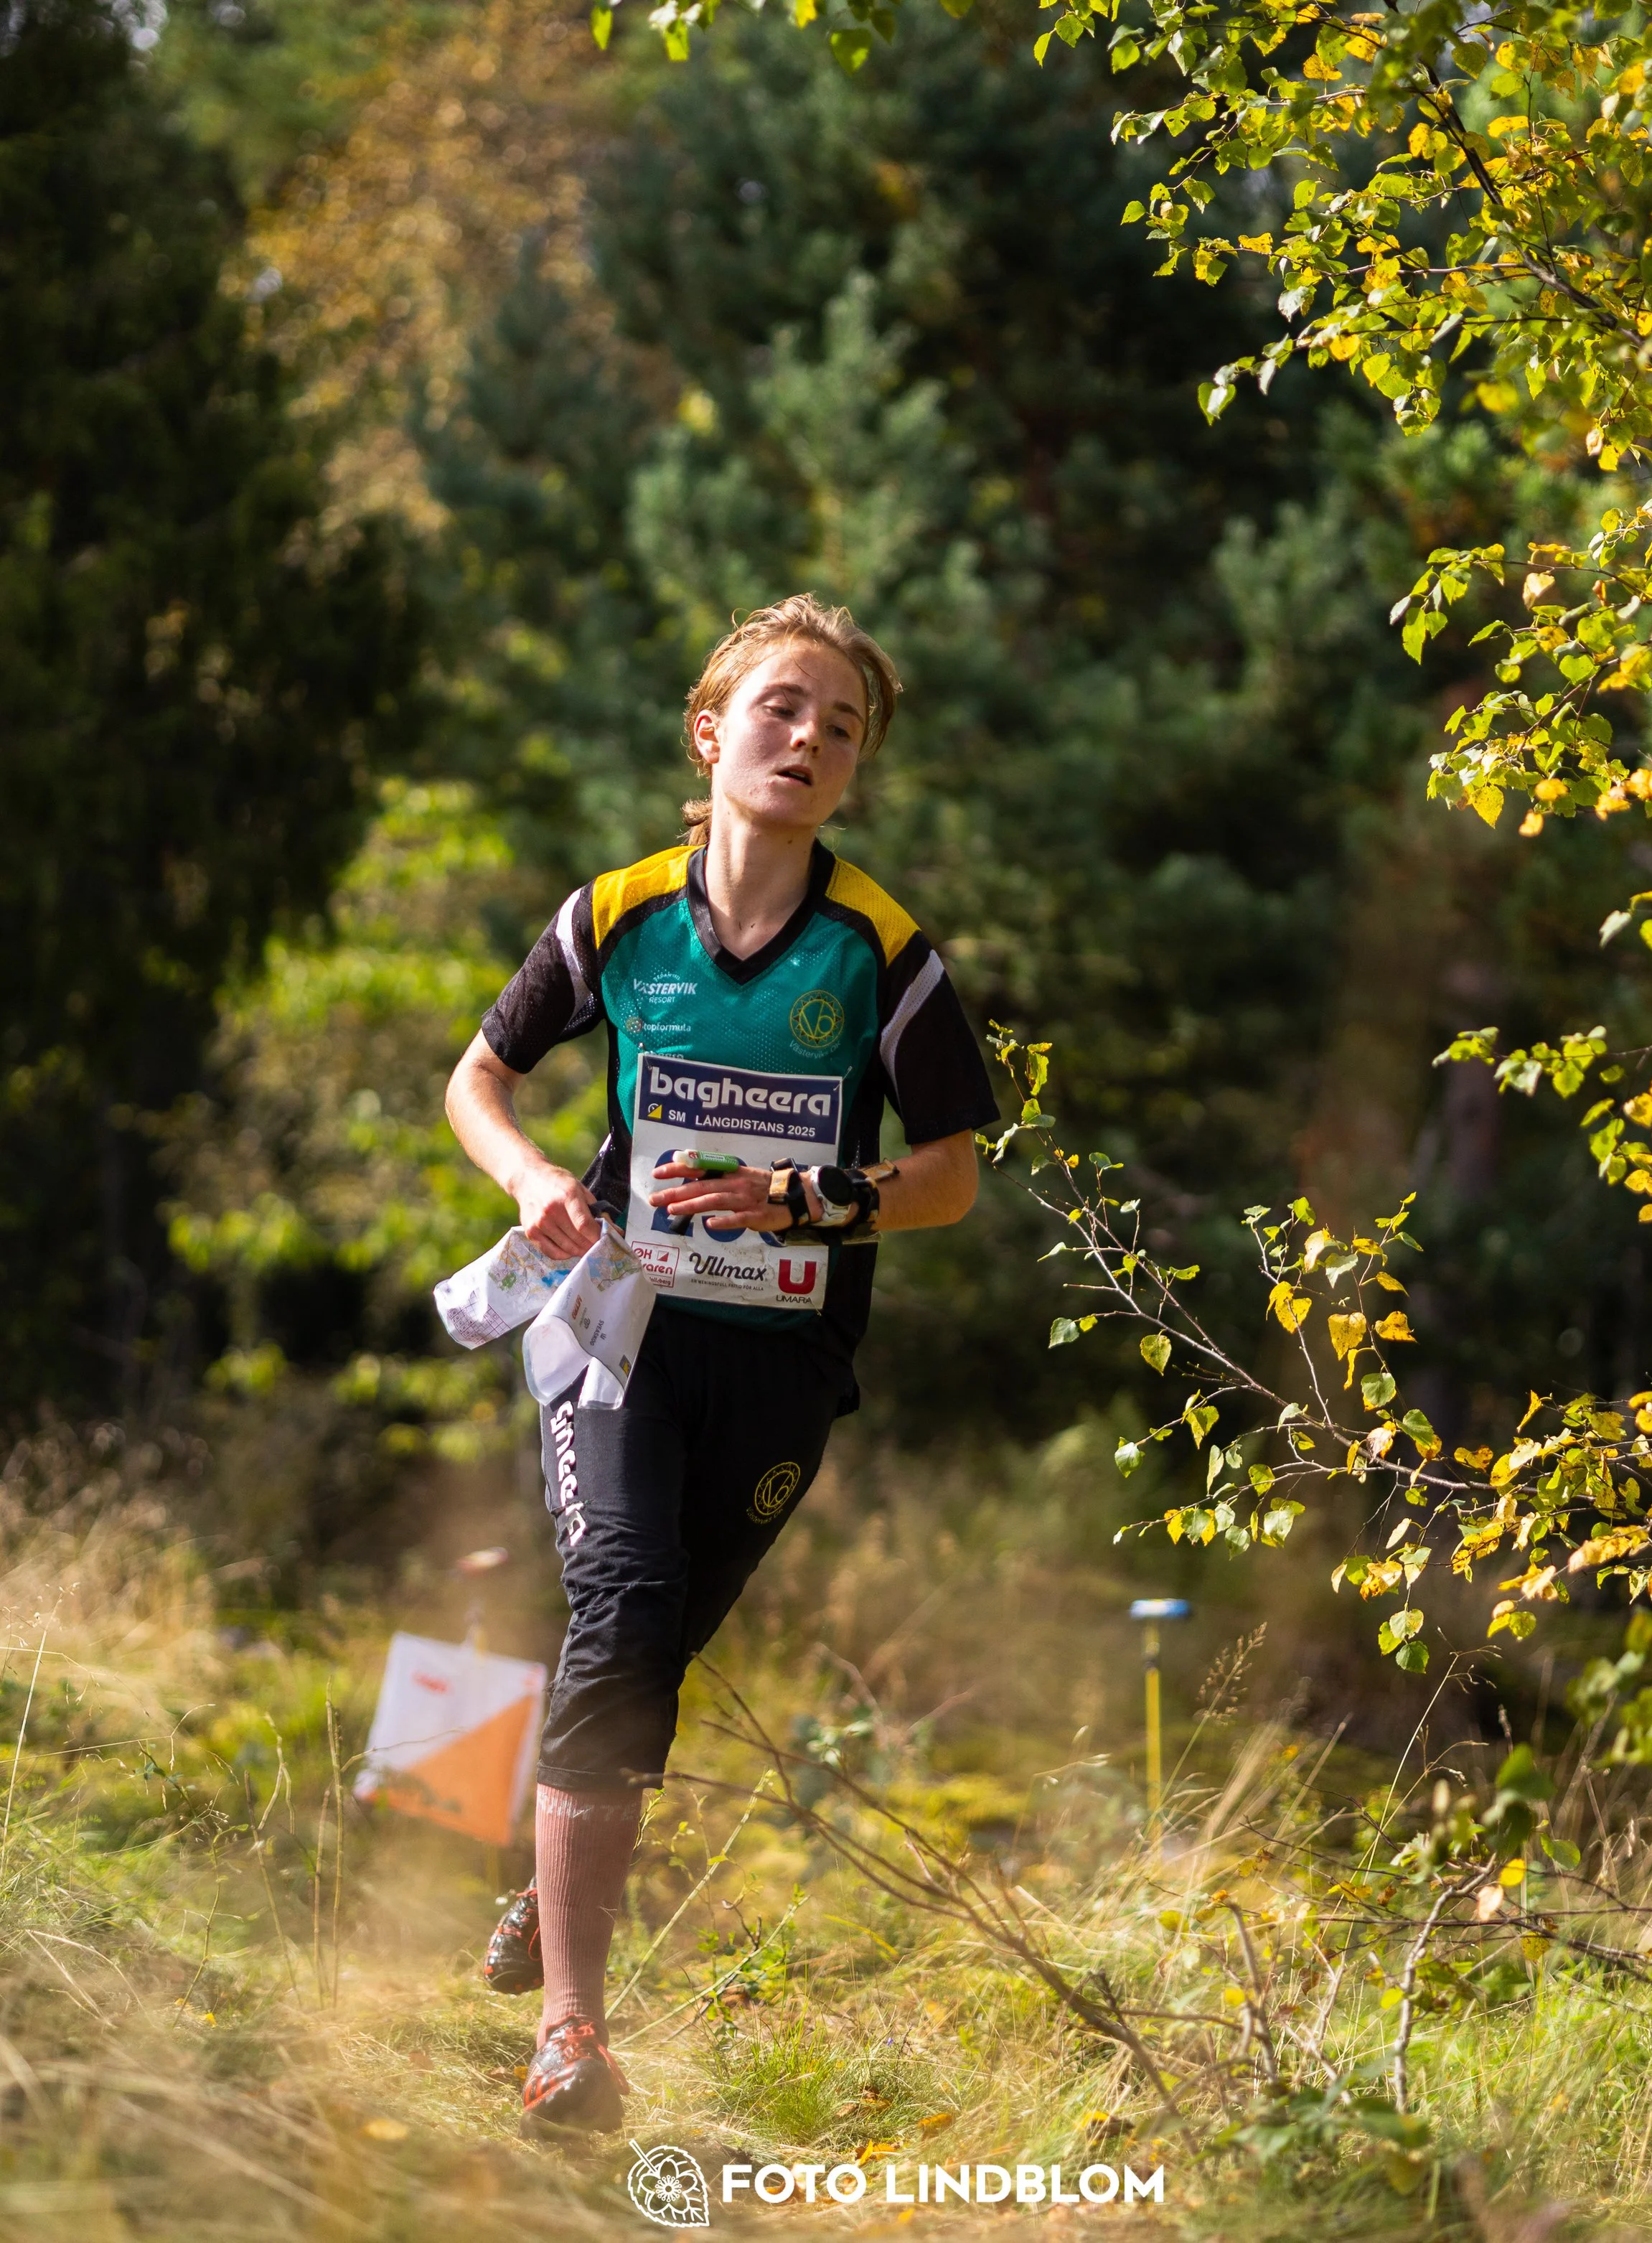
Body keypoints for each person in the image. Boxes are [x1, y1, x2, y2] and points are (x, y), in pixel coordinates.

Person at [443, 594, 998, 2136]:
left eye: (839, 724)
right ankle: (570, 2032)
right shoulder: (616, 912)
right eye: (780, 707)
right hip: (616, 1326)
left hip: (785, 1358)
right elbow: (477, 1078)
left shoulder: (883, 953)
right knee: (620, 1608)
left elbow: (952, 1170)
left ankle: (536, 1889)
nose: (807, 738)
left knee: (654, 1648)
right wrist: (526, 1179)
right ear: (711, 730)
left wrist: (822, 1196)